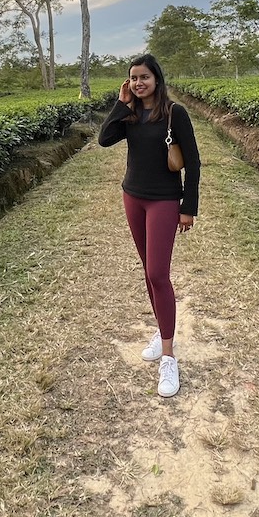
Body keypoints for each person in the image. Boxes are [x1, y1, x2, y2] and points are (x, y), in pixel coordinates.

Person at [97, 52, 201, 398]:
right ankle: (162, 329)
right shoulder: (130, 113)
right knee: (147, 270)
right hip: (133, 196)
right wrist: (121, 103)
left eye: (144, 77)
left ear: (157, 78)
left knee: (158, 273)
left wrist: (188, 207)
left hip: (164, 200)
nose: (139, 83)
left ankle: (168, 357)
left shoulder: (174, 113)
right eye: (133, 78)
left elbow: (194, 163)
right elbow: (104, 139)